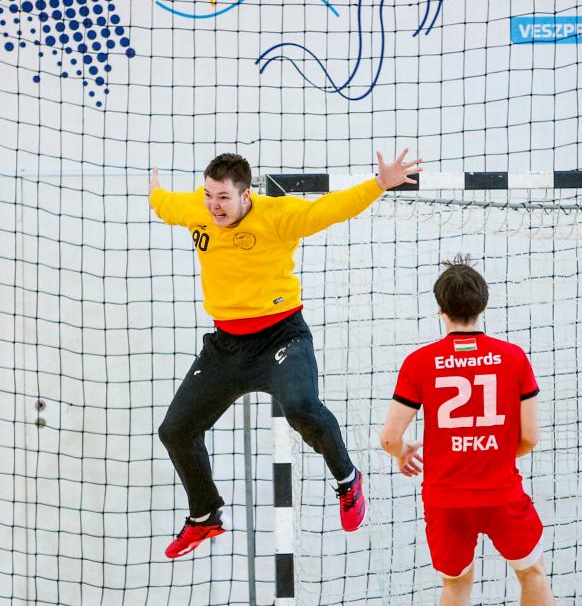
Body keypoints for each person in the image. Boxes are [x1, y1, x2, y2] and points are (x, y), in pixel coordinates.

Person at [149, 149, 422, 557]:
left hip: (280, 337)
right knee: (175, 431)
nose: (213, 205)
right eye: (208, 195)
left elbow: (330, 210)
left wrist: (379, 183)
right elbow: (164, 204)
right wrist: (154, 191)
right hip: (226, 345)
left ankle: (348, 480)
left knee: (301, 408)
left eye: (223, 197)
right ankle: (204, 515)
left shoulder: (278, 216)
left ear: (245, 195)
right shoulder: (197, 208)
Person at [380, 258, 580, 606]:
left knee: (455, 584)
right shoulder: (513, 357)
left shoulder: (419, 362)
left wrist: (403, 453)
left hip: (445, 496)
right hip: (501, 491)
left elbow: (390, 438)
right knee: (531, 573)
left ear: (440, 309)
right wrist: (493, 456)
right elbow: (530, 437)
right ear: (483, 306)